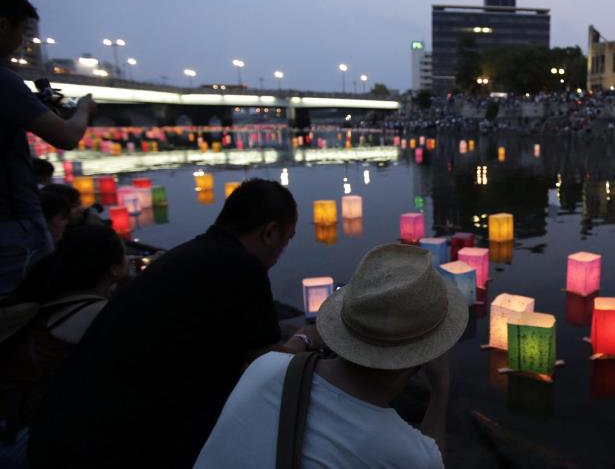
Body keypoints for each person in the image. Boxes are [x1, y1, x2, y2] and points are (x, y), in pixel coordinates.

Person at [28, 178, 297, 468]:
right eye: (287, 239)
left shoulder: (188, 255)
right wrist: (307, 339)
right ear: (270, 232)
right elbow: (272, 368)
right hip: (112, 450)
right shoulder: (241, 268)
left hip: (59, 432)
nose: (282, 252)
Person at [194, 243, 469, 469]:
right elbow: (434, 459)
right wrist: (440, 391)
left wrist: (301, 339)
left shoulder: (265, 367)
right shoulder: (405, 452)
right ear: (423, 356)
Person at [0, 225, 127, 468]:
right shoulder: (96, 313)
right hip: (25, 440)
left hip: (12, 426)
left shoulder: (52, 294)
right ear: (113, 268)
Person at [0, 0, 93, 294]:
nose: (23, 41)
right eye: (23, 32)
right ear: (2, 26)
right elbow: (67, 136)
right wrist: (84, 109)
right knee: (29, 309)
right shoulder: (4, 83)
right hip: (14, 227)